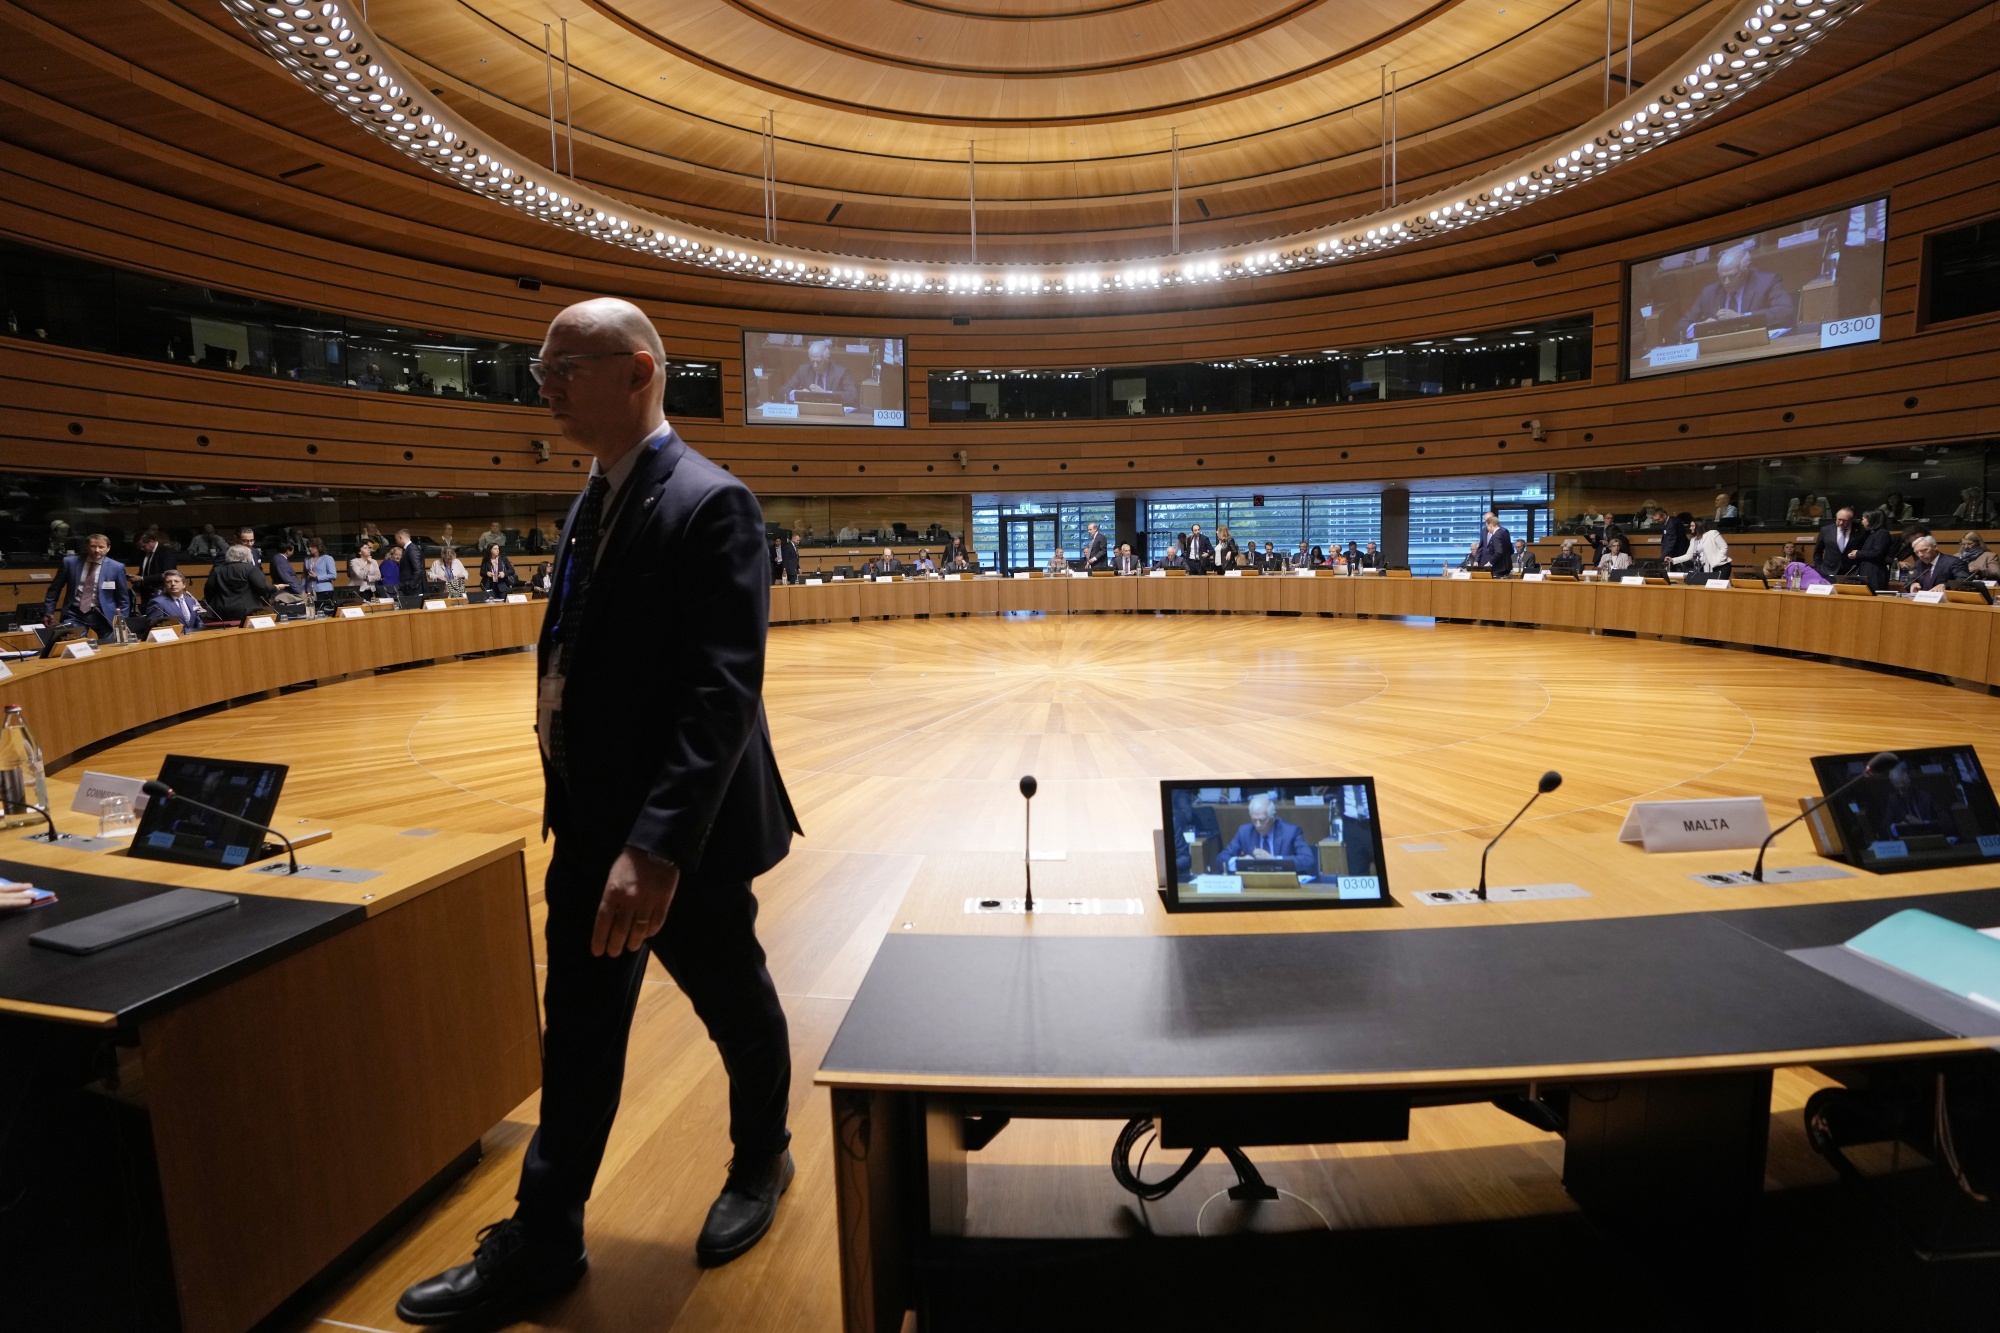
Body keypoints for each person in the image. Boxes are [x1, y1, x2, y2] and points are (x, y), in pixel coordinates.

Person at [397, 297, 800, 1324]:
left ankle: (762, 1155)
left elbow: (721, 694)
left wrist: (656, 848)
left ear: (637, 371)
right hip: (586, 828)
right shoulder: (594, 495)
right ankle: (544, 1239)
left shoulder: (712, 502)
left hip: (679, 842)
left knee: (734, 1005)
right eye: (541, 368)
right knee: (576, 1038)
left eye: (563, 367)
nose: (544, 387)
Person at [1679, 244, 1794, 337]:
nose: (1726, 282)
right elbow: (1679, 327)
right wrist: (1701, 327)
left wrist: (1741, 318)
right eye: (1722, 277)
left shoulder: (1767, 282)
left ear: (1746, 269)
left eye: (1732, 276)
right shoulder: (1709, 293)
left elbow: (1784, 311)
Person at [44, 531, 132, 636]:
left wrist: (122, 620)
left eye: (101, 547)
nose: (97, 550)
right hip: (75, 613)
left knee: (110, 644)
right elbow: (55, 588)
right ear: (87, 546)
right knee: (75, 643)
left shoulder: (117, 567)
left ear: (108, 548)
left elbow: (123, 597)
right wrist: (48, 612)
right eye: (93, 546)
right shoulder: (70, 563)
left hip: (104, 614)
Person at [1216, 794, 1316, 877]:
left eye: (1262, 820)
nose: (1258, 825)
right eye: (1254, 820)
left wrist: (1273, 859)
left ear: (1273, 817)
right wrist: (1239, 862)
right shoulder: (1245, 832)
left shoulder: (1291, 832)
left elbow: (1308, 860)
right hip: (1254, 885)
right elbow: (1221, 859)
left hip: (1284, 884)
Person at [779, 339, 858, 408]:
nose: (815, 365)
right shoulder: (803, 370)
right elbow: (783, 391)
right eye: (812, 361)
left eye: (819, 362)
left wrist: (826, 394)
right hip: (808, 411)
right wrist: (798, 394)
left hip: (832, 413)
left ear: (827, 359)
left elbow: (852, 396)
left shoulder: (840, 372)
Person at [205, 544, 275, 621]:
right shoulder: (252, 569)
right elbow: (261, 588)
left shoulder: (217, 570)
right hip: (248, 609)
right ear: (248, 555)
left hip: (221, 610)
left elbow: (209, 590)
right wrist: (275, 587)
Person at [1850, 508, 1894, 592]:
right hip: (1868, 571)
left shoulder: (1882, 533)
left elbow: (1877, 553)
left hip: (1875, 573)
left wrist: (1858, 554)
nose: (1862, 521)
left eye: (1863, 519)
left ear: (1871, 520)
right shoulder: (1872, 533)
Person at [1814, 507, 1859, 581]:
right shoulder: (1826, 530)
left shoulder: (1860, 530)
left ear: (1852, 520)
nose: (1841, 523)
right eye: (1839, 519)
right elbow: (1818, 551)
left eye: (1845, 521)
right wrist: (1818, 568)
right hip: (1828, 571)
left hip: (1851, 571)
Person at [135, 532, 178, 599]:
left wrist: (142, 578)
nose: (141, 549)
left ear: (151, 542)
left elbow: (168, 574)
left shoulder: (166, 552)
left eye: (143, 546)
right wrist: (135, 577)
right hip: (145, 593)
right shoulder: (144, 553)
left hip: (161, 593)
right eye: (139, 547)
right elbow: (145, 572)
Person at [1476, 512, 1514, 577]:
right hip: (1498, 566)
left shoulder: (1498, 534)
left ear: (1491, 525)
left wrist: (1490, 563)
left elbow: (1500, 551)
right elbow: (1482, 546)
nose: (1487, 528)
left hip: (1498, 566)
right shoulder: (1500, 532)